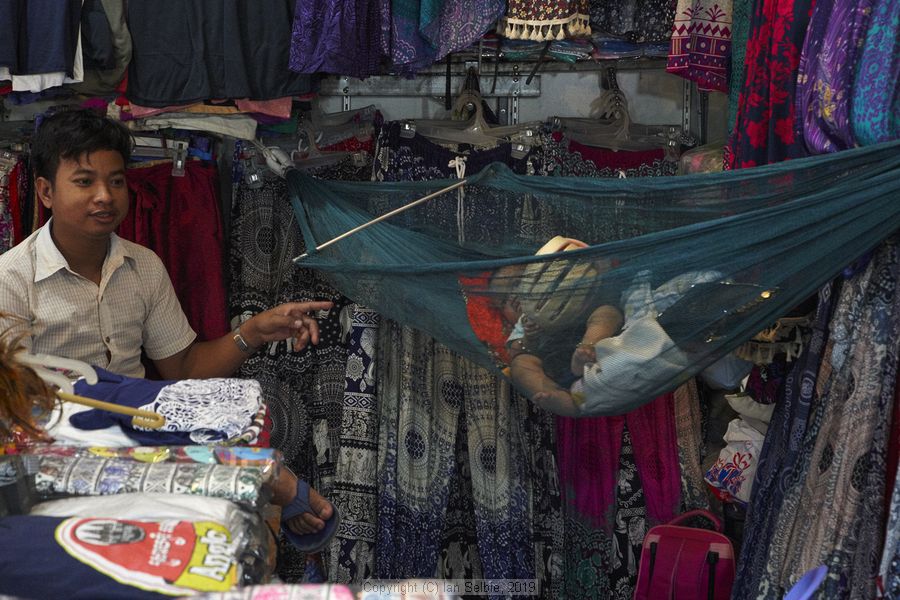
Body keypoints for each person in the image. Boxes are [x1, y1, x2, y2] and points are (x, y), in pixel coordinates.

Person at [0, 107, 336, 551]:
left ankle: (256, 476)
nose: (104, 195)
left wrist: (253, 332)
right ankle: (267, 477)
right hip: (55, 446)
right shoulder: (11, 280)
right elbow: (14, 411)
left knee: (231, 416)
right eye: (84, 181)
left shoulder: (143, 267)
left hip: (138, 431)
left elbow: (183, 368)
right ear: (44, 191)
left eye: (116, 181)